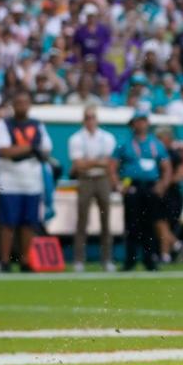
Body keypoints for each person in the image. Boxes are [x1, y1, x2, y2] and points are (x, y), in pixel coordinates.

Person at [0, 90, 52, 272]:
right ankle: (4, 260)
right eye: (18, 102)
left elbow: (47, 150)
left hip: (31, 181)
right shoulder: (4, 124)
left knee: (29, 223)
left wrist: (21, 150)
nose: (22, 106)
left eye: (25, 102)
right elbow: (4, 151)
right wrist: (30, 148)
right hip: (9, 180)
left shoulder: (37, 124)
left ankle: (25, 260)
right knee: (7, 223)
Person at [110, 111, 171, 272]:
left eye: (143, 121)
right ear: (133, 124)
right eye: (138, 121)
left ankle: (149, 260)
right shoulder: (125, 143)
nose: (141, 124)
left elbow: (166, 166)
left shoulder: (155, 143)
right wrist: (118, 185)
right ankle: (130, 260)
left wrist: (162, 185)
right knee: (131, 226)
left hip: (150, 186)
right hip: (133, 187)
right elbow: (113, 166)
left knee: (150, 225)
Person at [68, 105, 117, 272]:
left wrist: (89, 162)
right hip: (86, 179)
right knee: (82, 220)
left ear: (97, 119)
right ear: (84, 120)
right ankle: (79, 259)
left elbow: (109, 163)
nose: (90, 121)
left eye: (93, 117)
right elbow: (78, 165)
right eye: (87, 118)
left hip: (102, 178)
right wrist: (97, 162)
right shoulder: (76, 138)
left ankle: (107, 259)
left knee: (106, 220)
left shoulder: (106, 137)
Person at [155, 126, 183, 264]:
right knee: (161, 223)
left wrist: (165, 183)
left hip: (171, 193)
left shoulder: (173, 154)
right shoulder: (160, 153)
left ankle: (174, 247)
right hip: (164, 192)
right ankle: (167, 252)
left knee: (162, 222)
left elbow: (182, 173)